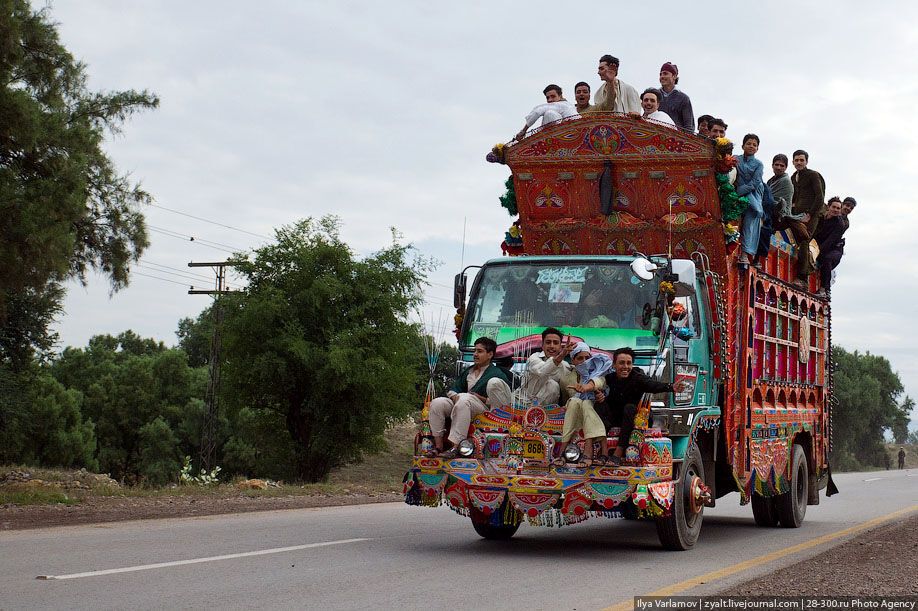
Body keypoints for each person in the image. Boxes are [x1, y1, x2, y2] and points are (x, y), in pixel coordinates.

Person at [427, 337, 511, 458]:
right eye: (475, 351)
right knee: (437, 403)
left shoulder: (497, 374)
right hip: (462, 403)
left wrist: (479, 398)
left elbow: (500, 403)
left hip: (483, 409)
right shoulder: (469, 371)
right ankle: (438, 447)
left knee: (464, 400)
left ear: (490, 354)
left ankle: (455, 447)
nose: (475, 354)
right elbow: (452, 390)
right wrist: (456, 397)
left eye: (480, 351)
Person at [595, 347, 681, 464]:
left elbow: (652, 385)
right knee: (599, 405)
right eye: (621, 363)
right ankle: (602, 452)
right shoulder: (609, 379)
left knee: (629, 408)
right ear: (614, 365)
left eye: (629, 363)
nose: (625, 367)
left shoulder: (637, 377)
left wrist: (671, 387)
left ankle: (618, 453)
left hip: (635, 419)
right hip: (614, 418)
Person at [554, 343, 613, 467]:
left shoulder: (600, 372)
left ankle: (588, 448)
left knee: (586, 403)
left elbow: (596, 383)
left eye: (587, 358)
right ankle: (563, 451)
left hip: (599, 415)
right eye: (580, 358)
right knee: (575, 402)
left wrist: (585, 388)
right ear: (573, 360)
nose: (584, 361)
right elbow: (565, 401)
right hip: (575, 415)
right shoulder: (566, 379)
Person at [769, 154, 814, 287]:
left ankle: (802, 276)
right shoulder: (773, 180)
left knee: (805, 241)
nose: (778, 167)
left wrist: (811, 214)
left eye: (781, 165)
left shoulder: (789, 180)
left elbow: (818, 196)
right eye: (776, 164)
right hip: (783, 211)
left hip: (785, 215)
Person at [518, 327, 576, 406]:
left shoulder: (565, 366)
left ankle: (534, 411)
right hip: (520, 403)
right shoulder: (533, 358)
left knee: (552, 386)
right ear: (542, 345)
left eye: (555, 343)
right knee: (495, 383)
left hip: (546, 411)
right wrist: (562, 355)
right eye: (548, 342)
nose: (552, 346)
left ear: (560, 347)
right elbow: (542, 371)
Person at [735, 134, 765, 267]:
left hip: (752, 194)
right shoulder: (735, 159)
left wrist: (739, 192)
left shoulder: (759, 164)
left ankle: (745, 254)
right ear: (743, 146)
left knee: (750, 219)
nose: (751, 146)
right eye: (749, 143)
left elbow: (755, 182)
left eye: (754, 145)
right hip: (735, 192)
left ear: (757, 149)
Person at [813, 197, 847, 297]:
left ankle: (824, 289)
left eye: (838, 208)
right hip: (819, 244)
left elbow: (830, 241)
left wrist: (817, 253)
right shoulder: (821, 217)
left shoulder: (840, 224)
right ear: (828, 207)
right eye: (834, 207)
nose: (835, 210)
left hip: (834, 249)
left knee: (827, 259)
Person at [791, 149, 826, 235]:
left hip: (811, 216)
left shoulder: (813, 175)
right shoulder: (793, 177)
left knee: (804, 240)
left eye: (802, 160)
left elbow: (820, 197)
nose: (799, 162)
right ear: (793, 162)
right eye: (796, 160)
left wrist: (809, 214)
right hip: (796, 215)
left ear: (806, 162)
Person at [657, 62, 695, 132]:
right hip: (654, 137)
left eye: (665, 73)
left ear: (674, 76)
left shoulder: (683, 98)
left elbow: (689, 127)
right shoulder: (654, 96)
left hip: (675, 140)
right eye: (660, 74)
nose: (662, 76)